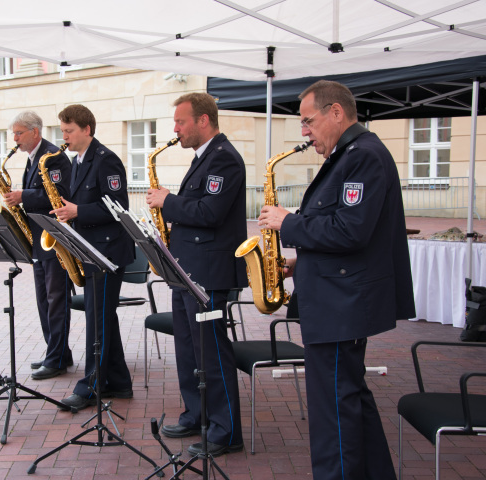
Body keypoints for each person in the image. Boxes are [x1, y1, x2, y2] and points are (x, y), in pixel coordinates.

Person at [257, 80, 415, 480]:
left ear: (336, 113)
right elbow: (340, 229)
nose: (305, 132)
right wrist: (300, 264)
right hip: (335, 299)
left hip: (341, 305)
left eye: (308, 121)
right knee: (351, 400)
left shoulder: (362, 157)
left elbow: (350, 231)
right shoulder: (351, 155)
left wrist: (287, 222)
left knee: (333, 412)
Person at [146, 92, 247, 457]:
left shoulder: (225, 159)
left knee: (212, 353)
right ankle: (196, 412)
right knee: (188, 348)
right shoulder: (204, 158)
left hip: (209, 273)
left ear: (203, 120)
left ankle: (226, 431)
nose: (175, 129)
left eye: (181, 122)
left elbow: (210, 212)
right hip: (187, 268)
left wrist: (167, 201)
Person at [51, 104, 135, 411]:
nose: (65, 137)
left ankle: (91, 387)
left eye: (69, 131)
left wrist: (78, 211)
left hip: (108, 253)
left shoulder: (106, 160)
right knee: (103, 316)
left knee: (97, 320)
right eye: (62, 131)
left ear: (87, 129)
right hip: (90, 249)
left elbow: (118, 208)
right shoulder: (77, 161)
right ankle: (120, 382)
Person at [3, 111, 74, 380]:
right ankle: (56, 353)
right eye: (14, 134)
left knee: (56, 300)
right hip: (38, 240)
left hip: (54, 239)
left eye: (19, 133)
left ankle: (56, 359)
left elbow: (58, 195)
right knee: (44, 300)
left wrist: (23, 196)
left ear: (35, 132)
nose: (15, 139)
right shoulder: (34, 157)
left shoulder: (53, 157)